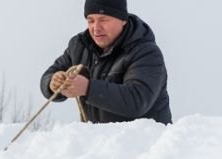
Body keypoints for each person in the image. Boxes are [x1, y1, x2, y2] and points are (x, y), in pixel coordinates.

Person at [40, 0, 172, 125]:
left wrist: (87, 88)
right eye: (91, 21)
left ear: (123, 20)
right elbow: (49, 75)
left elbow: (137, 101)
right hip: (101, 143)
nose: (96, 28)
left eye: (103, 20)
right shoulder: (79, 46)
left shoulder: (146, 53)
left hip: (146, 144)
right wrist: (53, 83)